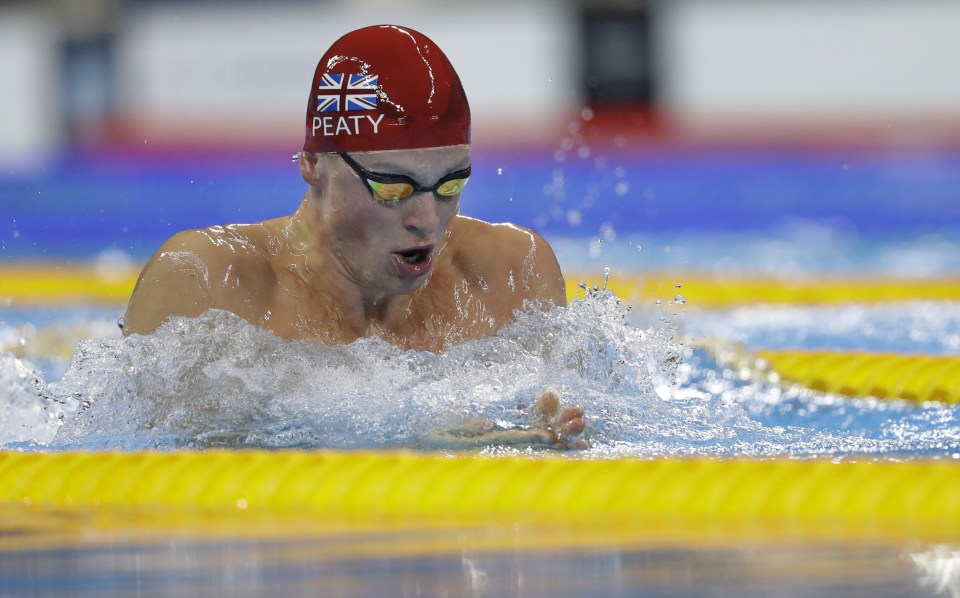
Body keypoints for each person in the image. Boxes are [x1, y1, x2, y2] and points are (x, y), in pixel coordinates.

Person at [122, 24, 585, 449]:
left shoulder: (509, 272)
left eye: (451, 185)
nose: (426, 219)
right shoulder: (209, 283)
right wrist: (411, 446)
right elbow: (154, 477)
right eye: (392, 187)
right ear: (313, 164)